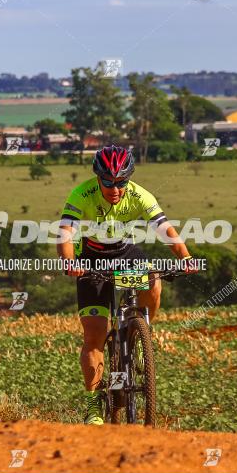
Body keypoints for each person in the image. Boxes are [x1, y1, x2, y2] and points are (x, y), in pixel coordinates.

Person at [57, 145, 195, 425]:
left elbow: (165, 229)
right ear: (98, 177)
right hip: (92, 258)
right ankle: (93, 405)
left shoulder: (140, 195)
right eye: (108, 182)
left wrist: (185, 257)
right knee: (94, 337)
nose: (115, 189)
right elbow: (65, 233)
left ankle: (140, 335)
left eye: (121, 182)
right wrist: (70, 262)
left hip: (125, 252)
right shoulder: (81, 194)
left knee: (154, 280)